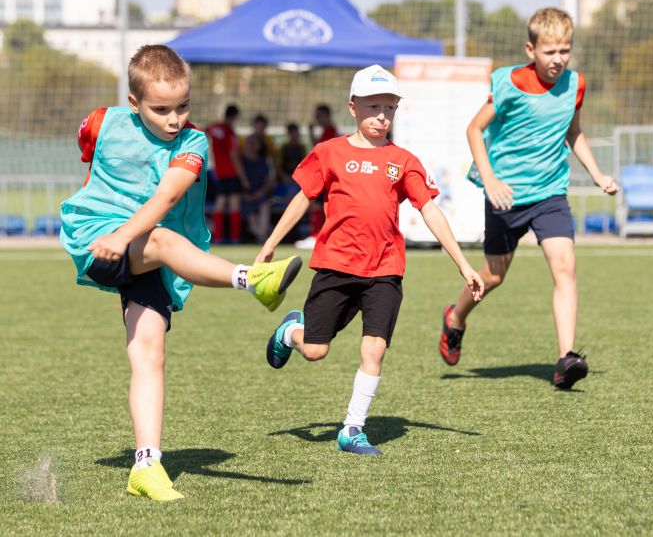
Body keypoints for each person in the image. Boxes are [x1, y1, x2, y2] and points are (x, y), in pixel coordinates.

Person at [59, 45, 302, 501]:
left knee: (150, 354)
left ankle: (145, 466)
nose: (175, 119)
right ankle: (252, 280)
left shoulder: (194, 143)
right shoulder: (100, 123)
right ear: (133, 104)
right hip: (99, 238)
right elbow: (95, 167)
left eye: (183, 106)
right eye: (161, 109)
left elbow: (167, 199)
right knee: (164, 242)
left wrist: (129, 232)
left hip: (146, 248)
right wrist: (115, 232)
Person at [256, 65, 485, 456]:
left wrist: (463, 264)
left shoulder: (404, 160)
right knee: (315, 351)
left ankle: (352, 429)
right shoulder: (328, 153)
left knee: (374, 349)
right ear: (352, 107)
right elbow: (301, 198)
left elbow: (429, 210)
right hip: (335, 267)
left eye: (390, 107)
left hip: (384, 270)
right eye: (374, 106)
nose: (382, 115)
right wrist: (271, 243)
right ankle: (290, 332)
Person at [437, 7, 619, 390]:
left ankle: (566, 358)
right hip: (504, 195)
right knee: (493, 276)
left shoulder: (575, 85)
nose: (558, 60)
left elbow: (574, 133)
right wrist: (490, 180)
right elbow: (474, 129)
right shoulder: (508, 82)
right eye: (550, 52)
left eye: (565, 51)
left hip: (550, 191)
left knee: (564, 265)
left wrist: (598, 173)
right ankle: (455, 318)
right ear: (530, 49)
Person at [296, 104, 340, 250]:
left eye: (319, 115)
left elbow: (321, 150)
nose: (317, 119)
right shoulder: (328, 131)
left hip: (327, 173)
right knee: (318, 205)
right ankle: (318, 236)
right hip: (326, 172)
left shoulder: (330, 132)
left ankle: (316, 236)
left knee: (317, 204)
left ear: (326, 116)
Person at [206, 104, 246, 243]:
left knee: (220, 203)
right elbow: (234, 155)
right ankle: (234, 238)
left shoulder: (215, 127)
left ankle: (217, 237)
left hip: (219, 173)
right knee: (234, 204)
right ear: (234, 117)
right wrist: (244, 178)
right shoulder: (229, 132)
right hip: (232, 173)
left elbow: (204, 132)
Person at [241, 131, 276, 242]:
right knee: (250, 213)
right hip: (246, 196)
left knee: (264, 204)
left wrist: (260, 193)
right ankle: (263, 236)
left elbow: (269, 181)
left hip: (261, 194)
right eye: (250, 142)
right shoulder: (240, 162)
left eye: (255, 143)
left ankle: (262, 235)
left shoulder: (263, 162)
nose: (252, 145)